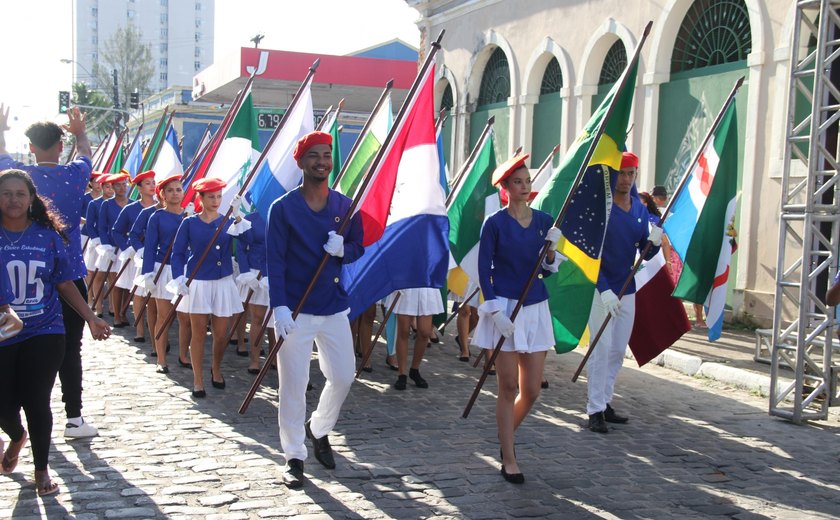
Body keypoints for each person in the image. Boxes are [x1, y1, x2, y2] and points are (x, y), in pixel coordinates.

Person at [0, 169, 109, 496]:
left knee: (37, 399)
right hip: (3, 332)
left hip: (45, 330)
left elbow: (64, 282)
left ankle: (41, 469)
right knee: (4, 402)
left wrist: (91, 317)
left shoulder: (48, 236)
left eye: (20, 193)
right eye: (7, 193)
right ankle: (17, 435)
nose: (14, 200)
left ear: (31, 199)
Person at [266, 131, 364, 488]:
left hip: (333, 305)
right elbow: (274, 261)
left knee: (343, 375)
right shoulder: (283, 208)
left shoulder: (345, 206)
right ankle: (294, 455)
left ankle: (319, 427)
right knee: (293, 384)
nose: (322, 161)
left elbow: (358, 246)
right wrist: (279, 307)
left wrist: (344, 250)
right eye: (314, 156)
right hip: (294, 310)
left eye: (326, 155)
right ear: (301, 162)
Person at [0, 104, 100, 439]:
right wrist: (80, 132)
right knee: (70, 348)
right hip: (68, 272)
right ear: (60, 145)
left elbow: (1, 156)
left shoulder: (17, 177)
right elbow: (85, 152)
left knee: (12, 348)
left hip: (18, 277)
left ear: (30, 147)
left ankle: (19, 422)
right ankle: (74, 418)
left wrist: (1, 129)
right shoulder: (74, 175)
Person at [471, 154, 563, 484]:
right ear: (506, 188)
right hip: (504, 309)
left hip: (535, 307)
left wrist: (551, 251)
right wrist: (494, 311)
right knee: (508, 386)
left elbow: (547, 270)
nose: (525, 186)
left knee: (533, 390)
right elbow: (485, 268)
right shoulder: (494, 223)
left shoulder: (545, 221)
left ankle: (504, 435)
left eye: (527, 181)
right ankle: (509, 457)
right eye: (518, 182)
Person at [586, 152, 662, 434]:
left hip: (626, 286)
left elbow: (644, 249)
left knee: (617, 350)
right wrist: (604, 288)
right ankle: (594, 410)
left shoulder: (640, 209)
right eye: (622, 173)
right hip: (601, 288)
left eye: (631, 173)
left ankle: (605, 401)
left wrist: (653, 242)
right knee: (600, 348)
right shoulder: (601, 209)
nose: (627, 179)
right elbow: (590, 254)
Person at [169, 177, 249, 397]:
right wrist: (178, 278)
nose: (216, 200)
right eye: (211, 197)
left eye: (219, 196)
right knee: (198, 334)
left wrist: (237, 215)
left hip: (222, 282)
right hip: (199, 282)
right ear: (200, 198)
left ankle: (216, 367)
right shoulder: (189, 223)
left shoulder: (227, 222)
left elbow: (246, 241)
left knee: (221, 334)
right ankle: (197, 379)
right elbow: (177, 253)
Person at [136, 175, 190, 372]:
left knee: (186, 318)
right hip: (163, 268)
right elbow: (149, 247)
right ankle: (161, 359)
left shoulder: (190, 216)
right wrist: (147, 273)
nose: (175, 193)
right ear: (162, 195)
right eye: (170, 190)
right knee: (163, 316)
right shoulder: (156, 217)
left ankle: (184, 355)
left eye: (178, 189)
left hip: (183, 269)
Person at [113, 170, 158, 342]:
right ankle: (139, 329)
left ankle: (154, 327)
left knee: (154, 293)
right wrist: (130, 248)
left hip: (156, 256)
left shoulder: (161, 206)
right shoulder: (130, 209)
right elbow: (117, 231)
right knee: (138, 292)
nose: (152, 186)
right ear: (139, 188)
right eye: (147, 183)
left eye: (153, 182)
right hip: (137, 255)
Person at [234, 210, 275, 374]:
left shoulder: (287, 215)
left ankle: (275, 358)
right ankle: (255, 360)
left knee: (275, 320)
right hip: (254, 273)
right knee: (257, 318)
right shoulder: (252, 218)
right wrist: (245, 272)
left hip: (276, 273)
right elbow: (241, 247)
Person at [95, 172, 131, 327]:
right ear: (112, 187)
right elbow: (102, 227)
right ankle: (116, 314)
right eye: (118, 185)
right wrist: (106, 246)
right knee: (116, 283)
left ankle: (124, 312)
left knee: (128, 283)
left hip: (128, 248)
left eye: (124, 184)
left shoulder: (133, 204)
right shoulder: (107, 204)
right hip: (113, 248)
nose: (122, 188)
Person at [389, 288, 441, 390]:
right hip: (407, 285)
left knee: (425, 332)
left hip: (426, 284)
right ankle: (402, 374)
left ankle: (414, 369)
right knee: (403, 331)